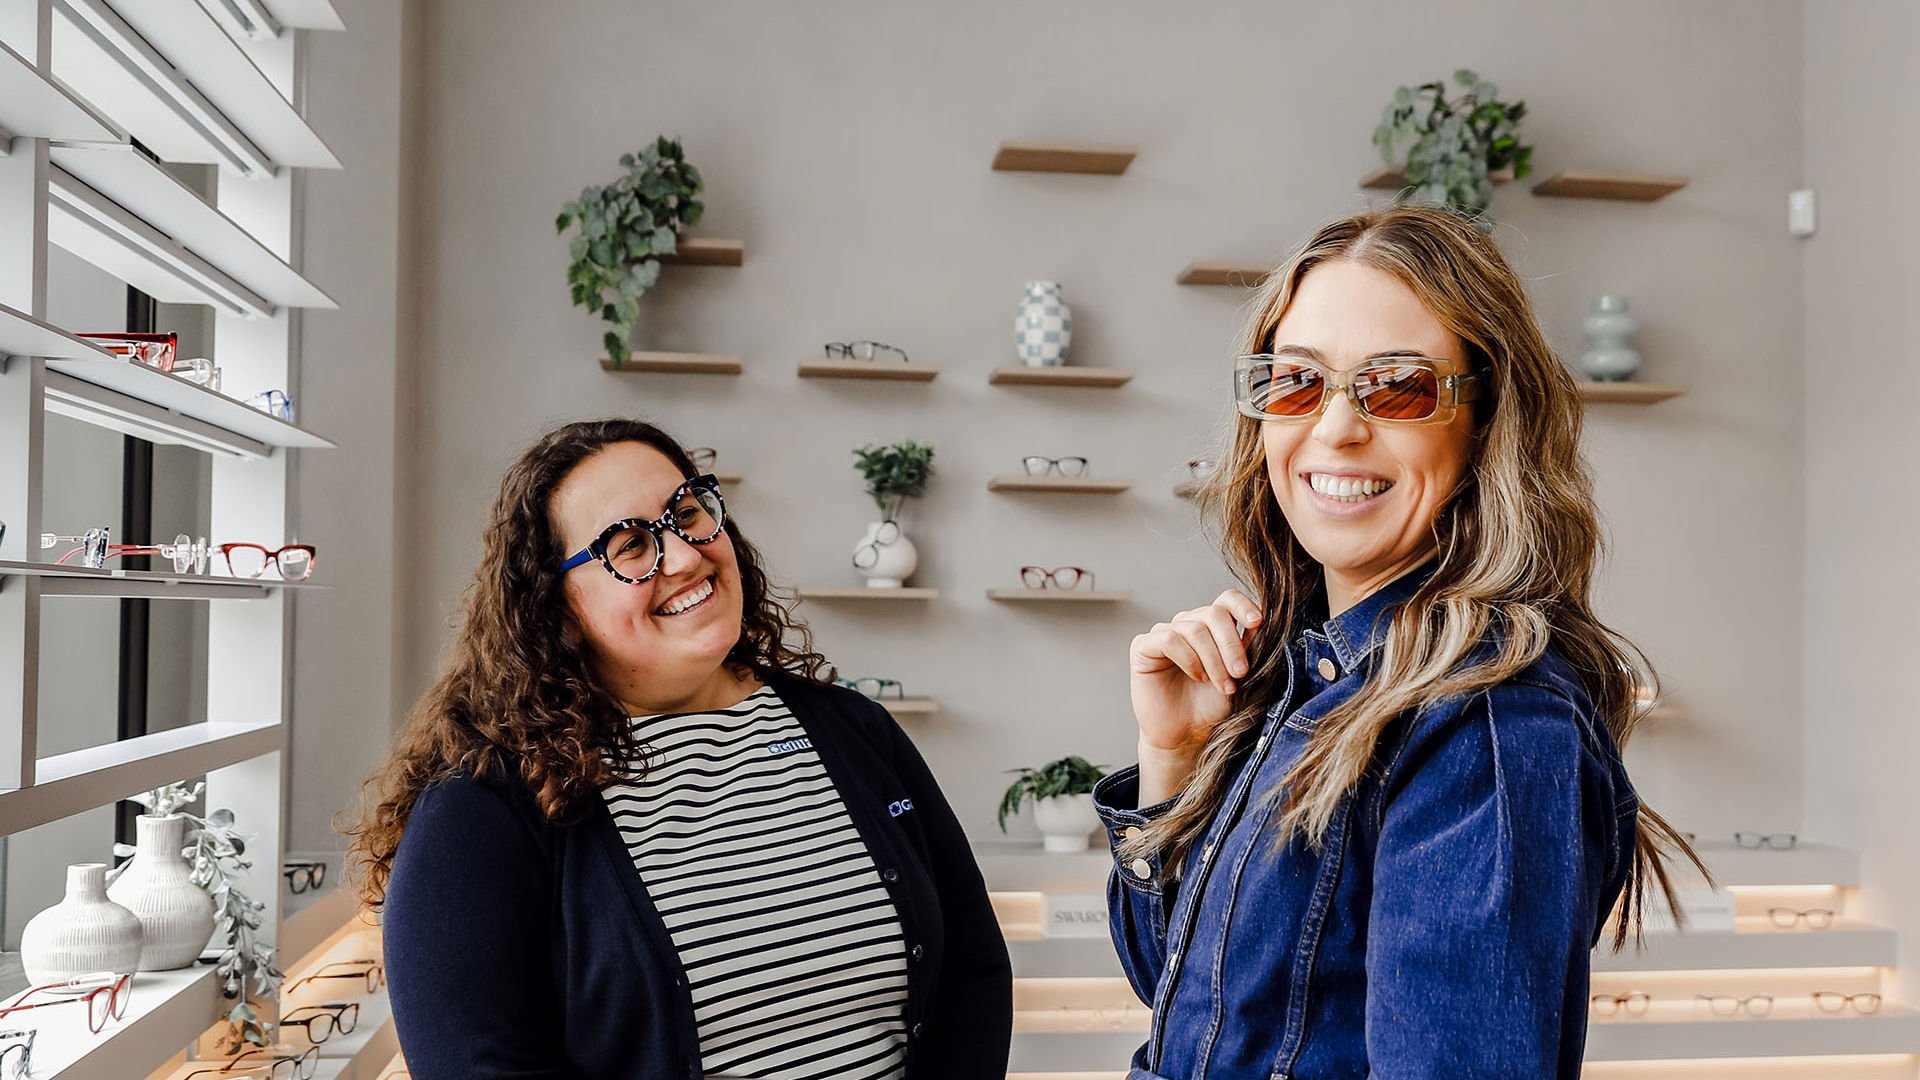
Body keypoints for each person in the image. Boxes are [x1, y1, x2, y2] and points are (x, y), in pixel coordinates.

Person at [1096, 206, 1701, 1079]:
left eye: (1399, 388)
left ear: (1485, 421)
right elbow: (1186, 998)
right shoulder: (1305, 680)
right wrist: (1173, 759)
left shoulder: (1484, 723)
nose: (1337, 428)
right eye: (1298, 383)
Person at [346, 418, 1010, 1080]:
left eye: (687, 513)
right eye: (631, 545)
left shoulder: (856, 732)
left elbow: (970, 968)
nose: (687, 556)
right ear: (559, 610)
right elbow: (476, 1064)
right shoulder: (481, 807)